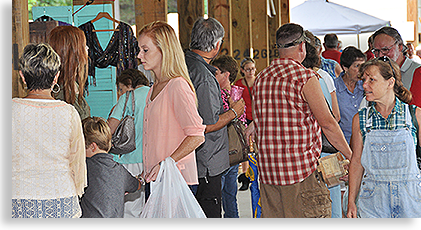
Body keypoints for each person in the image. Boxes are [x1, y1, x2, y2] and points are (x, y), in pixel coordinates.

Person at [253, 23, 352, 218]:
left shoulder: (261, 78)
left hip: (269, 175)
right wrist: (351, 156)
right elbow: (328, 124)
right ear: (302, 47)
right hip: (301, 174)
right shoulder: (305, 77)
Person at [12, 43, 87, 218]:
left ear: (22, 76)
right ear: (56, 77)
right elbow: (77, 163)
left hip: (19, 196)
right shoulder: (69, 112)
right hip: (62, 196)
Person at [137, 21, 206, 202]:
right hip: (157, 179)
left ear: (164, 50)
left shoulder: (177, 85)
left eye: (145, 50)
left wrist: (166, 164)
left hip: (176, 181)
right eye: (140, 50)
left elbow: (197, 135)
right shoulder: (154, 88)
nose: (139, 55)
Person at [185, 17, 245, 218]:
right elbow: (207, 125)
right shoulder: (203, 76)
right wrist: (234, 111)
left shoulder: (184, 63)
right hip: (206, 163)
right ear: (217, 45)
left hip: (191, 158)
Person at [347, 56, 421, 218]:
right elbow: (357, 161)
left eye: (371, 80)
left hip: (411, 200)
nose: (364, 85)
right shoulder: (360, 119)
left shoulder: (414, 116)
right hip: (373, 200)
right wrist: (351, 200)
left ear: (390, 82)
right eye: (364, 79)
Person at [302, 30, 342, 218]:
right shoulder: (324, 77)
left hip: (303, 154)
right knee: (331, 200)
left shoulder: (292, 79)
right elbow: (335, 116)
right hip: (326, 151)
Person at [108, 68, 150, 217]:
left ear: (129, 83)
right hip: (153, 160)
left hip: (130, 158)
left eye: (120, 88)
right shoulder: (155, 94)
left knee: (130, 208)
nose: (119, 92)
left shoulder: (127, 97)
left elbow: (110, 129)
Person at [80, 117, 142, 218]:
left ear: (93, 146)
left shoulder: (84, 166)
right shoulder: (119, 170)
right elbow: (136, 185)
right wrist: (141, 179)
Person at [211, 55, 244, 218]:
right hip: (231, 152)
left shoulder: (227, 95)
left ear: (226, 74)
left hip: (224, 152)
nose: (213, 76)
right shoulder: (235, 94)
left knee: (224, 196)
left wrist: (231, 111)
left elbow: (240, 121)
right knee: (229, 196)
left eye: (216, 73)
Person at [371, 26, 421, 107]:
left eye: (385, 49)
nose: (380, 55)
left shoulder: (417, 71)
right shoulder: (375, 73)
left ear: (400, 47)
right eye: (376, 51)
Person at [48, 26, 91, 120]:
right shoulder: (59, 93)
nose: (87, 48)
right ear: (73, 53)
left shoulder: (72, 84)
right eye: (84, 45)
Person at [335, 46, 366, 144]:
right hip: (343, 144)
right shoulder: (333, 88)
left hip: (365, 142)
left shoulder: (366, 86)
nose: (361, 70)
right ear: (345, 68)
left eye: (363, 65)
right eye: (357, 66)